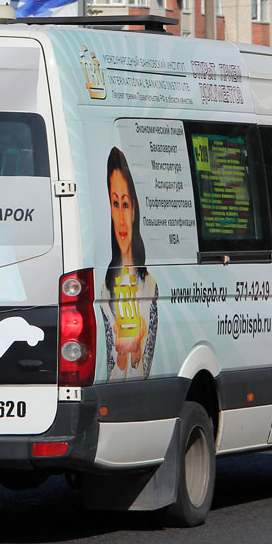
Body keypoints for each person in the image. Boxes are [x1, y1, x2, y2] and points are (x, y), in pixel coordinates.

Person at [100, 147, 158, 381]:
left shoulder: (150, 286)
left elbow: (147, 371)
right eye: (115, 204)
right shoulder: (103, 288)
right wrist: (120, 355)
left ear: (134, 210)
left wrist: (135, 353)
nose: (122, 219)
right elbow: (106, 370)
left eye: (125, 205)